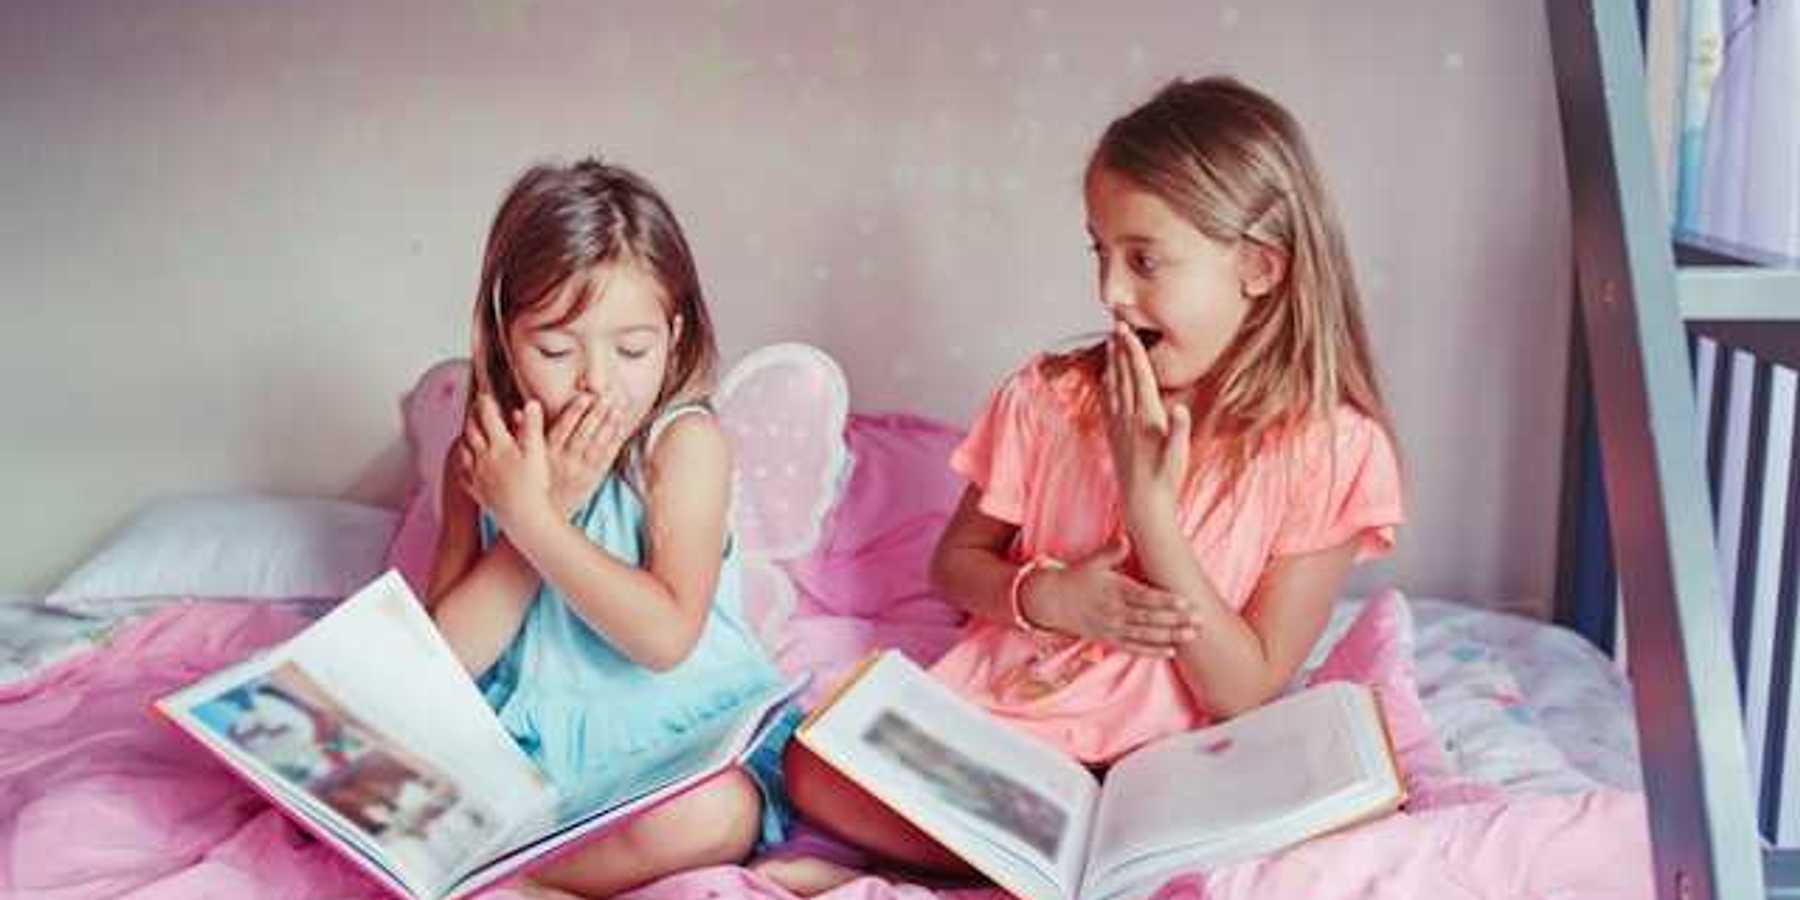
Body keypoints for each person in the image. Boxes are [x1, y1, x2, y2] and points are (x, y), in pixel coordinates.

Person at [759, 75, 1406, 894]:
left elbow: (1244, 688)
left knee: (1347, 816)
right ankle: (1018, 865)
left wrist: (1151, 516)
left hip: (1177, 775)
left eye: (1144, 260)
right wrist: (1051, 597)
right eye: (1100, 252)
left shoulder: (1332, 451)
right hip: (1013, 740)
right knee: (819, 764)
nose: (1110, 292)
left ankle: (1031, 867)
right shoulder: (1051, 398)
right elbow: (956, 565)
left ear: (1259, 268)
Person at [426, 157, 797, 898]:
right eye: (557, 349)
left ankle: (521, 883)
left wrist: (537, 520)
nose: (598, 379)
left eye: (632, 349)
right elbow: (443, 662)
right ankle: (514, 863)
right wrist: (540, 504)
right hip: (530, 758)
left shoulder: (684, 446)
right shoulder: (482, 460)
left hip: (673, 745)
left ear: (674, 331)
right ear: (504, 339)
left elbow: (663, 638)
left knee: (716, 815)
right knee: (410, 792)